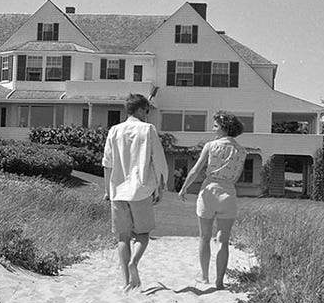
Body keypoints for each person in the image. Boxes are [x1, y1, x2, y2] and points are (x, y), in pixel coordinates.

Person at [102, 94, 168, 291]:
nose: (148, 115)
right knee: (143, 233)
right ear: (140, 110)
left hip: (118, 191)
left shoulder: (114, 130)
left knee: (123, 238)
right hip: (140, 190)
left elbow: (107, 164)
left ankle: (126, 281)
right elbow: (159, 161)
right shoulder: (148, 129)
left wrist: (108, 190)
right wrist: (160, 187)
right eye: (147, 111)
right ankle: (134, 263)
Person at [178, 111, 247, 290]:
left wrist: (184, 187)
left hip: (209, 191)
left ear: (224, 127)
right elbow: (237, 175)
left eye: (216, 126)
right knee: (223, 240)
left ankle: (204, 276)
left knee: (204, 237)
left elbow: (195, 170)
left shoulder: (211, 145)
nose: (213, 128)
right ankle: (220, 281)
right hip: (228, 193)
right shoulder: (242, 151)